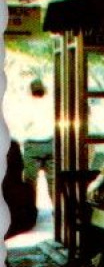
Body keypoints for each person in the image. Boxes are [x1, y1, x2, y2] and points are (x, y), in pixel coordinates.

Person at [18, 79, 52, 218]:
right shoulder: (51, 104)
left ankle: (30, 211)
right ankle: (58, 208)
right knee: (53, 180)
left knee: (31, 181)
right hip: (50, 144)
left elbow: (22, 125)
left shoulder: (27, 105)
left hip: (32, 145)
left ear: (31, 91)